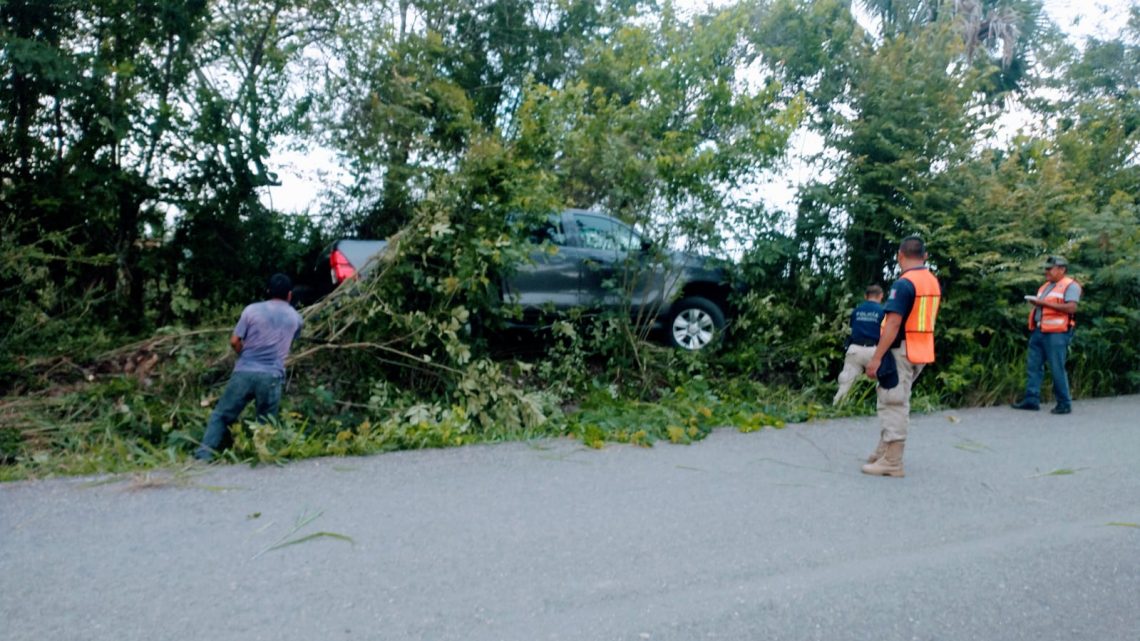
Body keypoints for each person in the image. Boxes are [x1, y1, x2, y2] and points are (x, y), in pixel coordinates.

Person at [195, 274, 304, 461]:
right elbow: (291, 341)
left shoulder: (251, 310)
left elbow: (235, 341)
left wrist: (244, 354)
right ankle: (261, 456)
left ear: (268, 291)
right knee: (266, 420)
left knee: (222, 415)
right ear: (289, 295)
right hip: (271, 376)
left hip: (244, 372)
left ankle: (203, 456)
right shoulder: (296, 318)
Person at [862, 236, 941, 478]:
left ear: (900, 256)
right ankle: (884, 451)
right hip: (920, 350)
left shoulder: (904, 284)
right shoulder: (931, 281)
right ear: (924, 256)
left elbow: (894, 323)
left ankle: (892, 462)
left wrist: (877, 357)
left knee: (892, 402)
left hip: (901, 350)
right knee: (898, 399)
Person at [1011, 256, 1081, 415]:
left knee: (1057, 368)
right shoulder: (1044, 287)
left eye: (1050, 268)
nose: (1046, 271)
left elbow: (1071, 308)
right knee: (1033, 366)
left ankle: (1064, 403)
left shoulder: (1071, 286)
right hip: (1039, 331)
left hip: (1057, 334)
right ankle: (1031, 400)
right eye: (1046, 268)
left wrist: (1043, 303)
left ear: (1062, 269)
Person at [833, 284, 885, 405]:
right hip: (874, 350)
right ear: (881, 296)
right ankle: (883, 407)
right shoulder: (883, 311)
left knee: (846, 381)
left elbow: (852, 328)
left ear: (865, 296)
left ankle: (837, 406)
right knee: (885, 380)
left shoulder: (856, 311)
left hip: (854, 349)